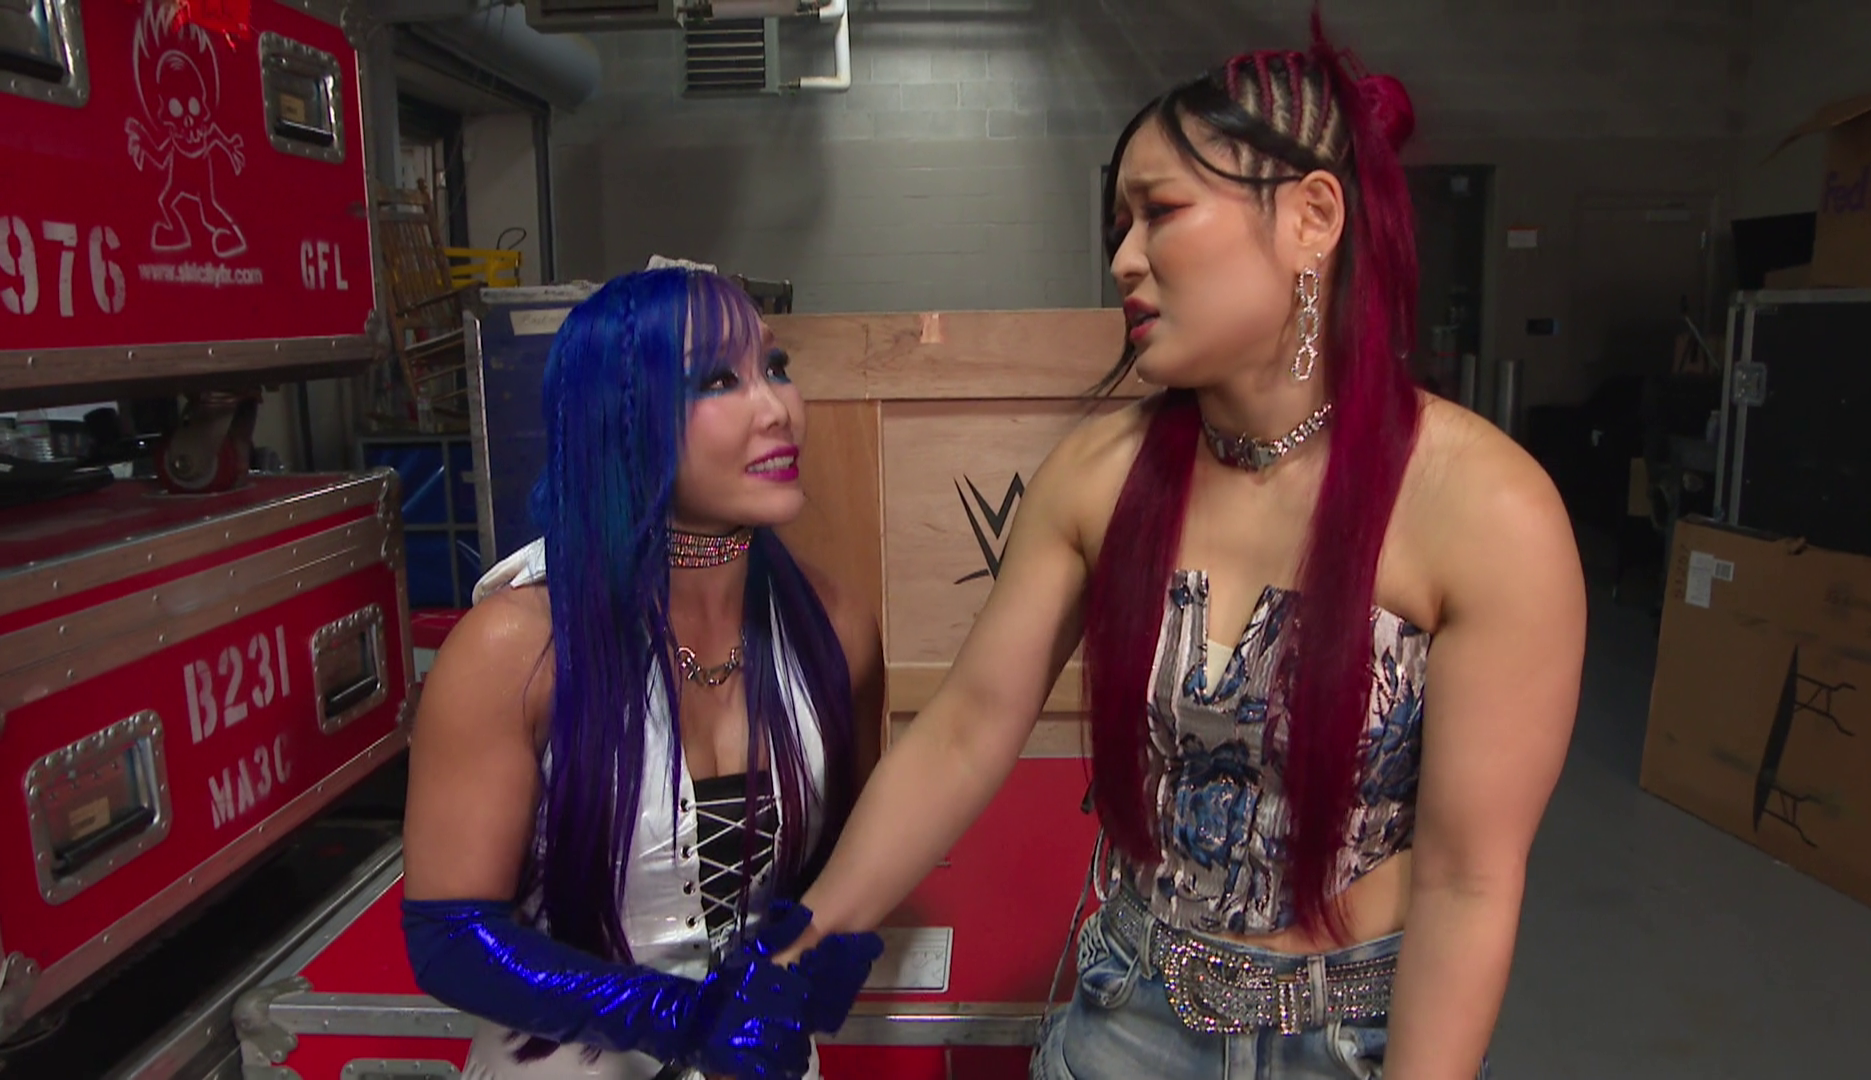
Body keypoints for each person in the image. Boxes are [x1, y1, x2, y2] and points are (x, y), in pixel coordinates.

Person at [773, 18, 1587, 1080]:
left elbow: (1467, 880)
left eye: (1160, 212)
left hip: (1353, 1039)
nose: (1122, 259)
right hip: (1129, 1012)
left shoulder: (1485, 508)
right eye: (1118, 224)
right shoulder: (1098, 475)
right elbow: (964, 732)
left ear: (1312, 218)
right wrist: (798, 945)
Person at [399, 268, 888, 1080]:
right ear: (620, 417)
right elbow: (450, 937)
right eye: (719, 379)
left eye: (775, 367)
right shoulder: (514, 649)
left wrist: (811, 960)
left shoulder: (834, 627)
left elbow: (857, 853)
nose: (777, 408)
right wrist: (679, 1018)